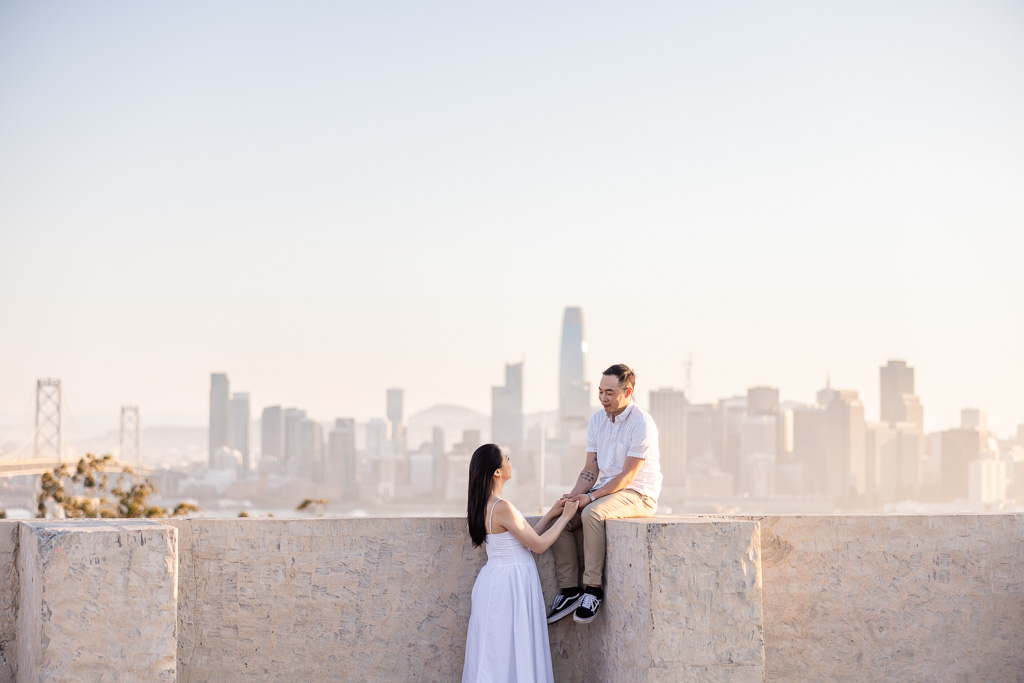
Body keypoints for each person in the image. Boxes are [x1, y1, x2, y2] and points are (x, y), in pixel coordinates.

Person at [547, 364, 662, 624]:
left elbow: (628, 476)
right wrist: (572, 498)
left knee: (592, 513)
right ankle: (570, 591)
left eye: (609, 392)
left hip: (637, 494)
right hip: (606, 492)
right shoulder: (597, 421)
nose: (603, 398)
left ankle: (593, 590)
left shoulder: (641, 422)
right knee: (562, 517)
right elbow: (591, 468)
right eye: (600, 391)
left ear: (627, 391)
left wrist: (590, 499)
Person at [462, 444, 579, 683]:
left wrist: (550, 514)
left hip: (496, 579)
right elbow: (538, 545)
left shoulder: (484, 505)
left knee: (497, 650)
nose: (510, 462)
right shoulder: (502, 507)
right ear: (497, 471)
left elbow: (524, 540)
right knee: (511, 648)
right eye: (507, 458)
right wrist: (566, 516)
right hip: (510, 584)